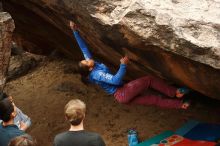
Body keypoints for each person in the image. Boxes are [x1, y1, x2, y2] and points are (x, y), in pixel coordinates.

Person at [70, 21, 190, 109]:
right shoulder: (98, 74)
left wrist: (75, 31)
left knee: (153, 100)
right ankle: (175, 92)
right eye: (86, 61)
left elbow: (84, 49)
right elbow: (116, 80)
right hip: (122, 92)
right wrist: (123, 65)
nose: (86, 59)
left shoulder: (91, 68)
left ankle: (181, 105)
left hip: (122, 97)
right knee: (149, 80)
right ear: (90, 68)